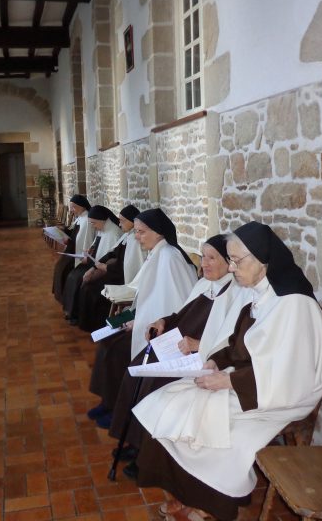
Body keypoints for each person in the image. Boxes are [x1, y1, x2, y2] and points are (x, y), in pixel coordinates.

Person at [133, 222, 322, 521]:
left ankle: (210, 504)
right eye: (230, 260)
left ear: (262, 260)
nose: (231, 268)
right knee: (170, 401)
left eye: (236, 261)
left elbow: (289, 372)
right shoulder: (262, 293)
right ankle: (185, 494)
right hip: (255, 379)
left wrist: (229, 381)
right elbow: (239, 344)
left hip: (282, 392)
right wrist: (217, 360)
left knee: (208, 426)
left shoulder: (293, 305)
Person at [109, 234, 238, 479]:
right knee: (137, 368)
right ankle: (136, 442)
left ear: (229, 261)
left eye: (212, 258)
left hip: (200, 360)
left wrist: (198, 345)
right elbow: (180, 314)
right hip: (177, 349)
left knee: (155, 384)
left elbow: (230, 343)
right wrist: (163, 321)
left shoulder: (236, 293)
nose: (204, 264)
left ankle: (147, 457)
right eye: (203, 257)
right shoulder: (204, 284)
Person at [87, 208, 197, 428]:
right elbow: (148, 296)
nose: (137, 237)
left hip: (162, 331)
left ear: (158, 232)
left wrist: (143, 323)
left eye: (141, 232)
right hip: (145, 321)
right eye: (136, 231)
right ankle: (110, 402)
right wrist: (134, 318)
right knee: (107, 344)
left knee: (117, 352)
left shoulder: (170, 258)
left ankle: (120, 411)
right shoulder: (157, 252)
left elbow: (178, 303)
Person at [77, 204, 145, 333]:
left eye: (122, 221)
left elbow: (127, 267)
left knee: (93, 291)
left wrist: (105, 267)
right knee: (87, 287)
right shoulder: (127, 236)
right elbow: (111, 253)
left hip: (123, 278)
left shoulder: (135, 240)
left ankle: (97, 326)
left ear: (132, 221)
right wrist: (95, 267)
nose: (119, 224)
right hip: (116, 272)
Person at [62, 205, 122, 323]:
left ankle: (77, 315)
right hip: (95, 263)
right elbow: (95, 245)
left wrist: (93, 266)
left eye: (93, 223)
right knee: (73, 275)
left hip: (103, 269)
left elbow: (109, 258)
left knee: (80, 280)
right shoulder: (102, 228)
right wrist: (89, 252)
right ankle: (72, 312)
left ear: (102, 220)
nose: (92, 226)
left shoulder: (114, 233)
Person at [52, 194, 93, 303]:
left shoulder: (87, 219)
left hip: (77, 251)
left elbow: (83, 240)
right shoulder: (81, 217)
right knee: (59, 266)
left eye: (74, 207)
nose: (71, 210)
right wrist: (63, 232)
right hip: (72, 249)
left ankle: (65, 297)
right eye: (71, 207)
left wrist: (69, 240)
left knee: (64, 269)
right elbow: (73, 232)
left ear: (82, 207)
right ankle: (62, 296)